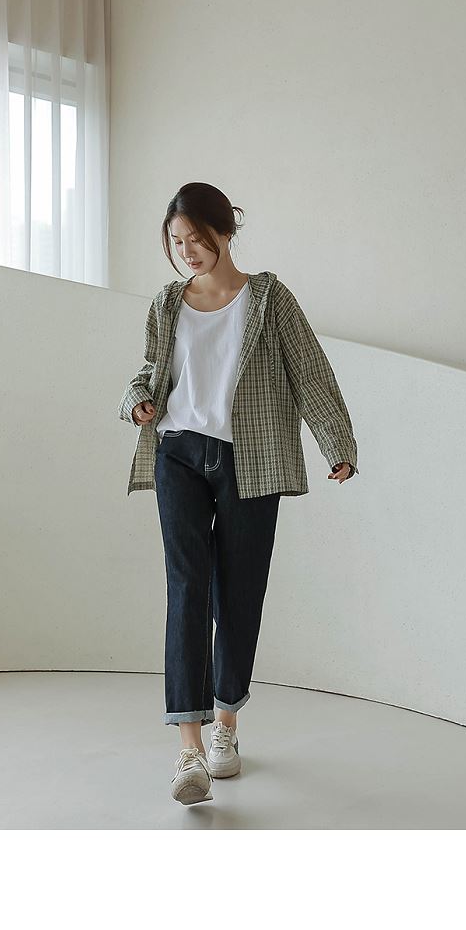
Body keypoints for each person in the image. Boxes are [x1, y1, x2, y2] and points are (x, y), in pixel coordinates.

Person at [118, 182, 359, 805]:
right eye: (177, 242)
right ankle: (189, 748)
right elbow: (151, 371)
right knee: (186, 588)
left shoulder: (269, 298)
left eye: (197, 239)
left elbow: (310, 371)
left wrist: (337, 442)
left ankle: (226, 723)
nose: (187, 252)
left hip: (248, 459)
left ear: (225, 232)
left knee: (239, 590)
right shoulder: (167, 304)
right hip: (177, 452)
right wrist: (136, 399)